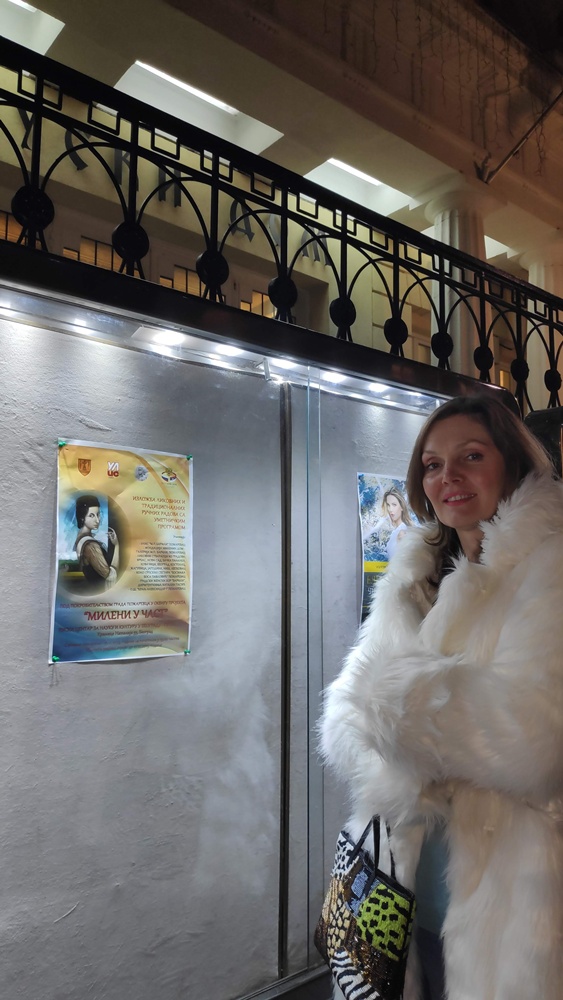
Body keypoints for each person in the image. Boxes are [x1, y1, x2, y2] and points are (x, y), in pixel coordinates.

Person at [320, 393, 563, 1000]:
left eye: (471, 456)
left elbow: (535, 738)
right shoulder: (414, 577)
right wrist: (387, 715)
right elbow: (348, 724)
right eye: (432, 464)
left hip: (507, 889)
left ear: (511, 462)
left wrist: (397, 707)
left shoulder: (551, 567)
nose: (448, 476)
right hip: (399, 880)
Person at [74, 494, 119, 590]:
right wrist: (117, 545)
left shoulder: (81, 538)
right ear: (82, 518)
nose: (97, 520)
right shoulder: (90, 545)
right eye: (91, 515)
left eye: (98, 514)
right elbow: (110, 576)